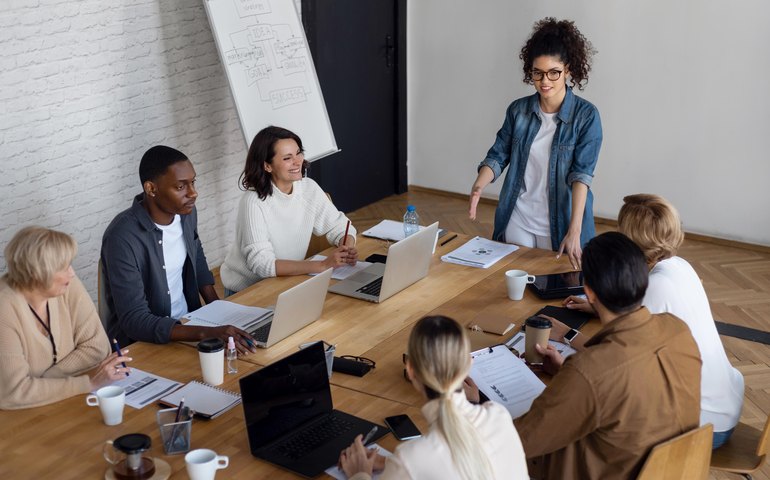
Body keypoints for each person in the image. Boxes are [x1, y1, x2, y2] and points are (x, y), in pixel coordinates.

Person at [558, 194, 744, 449]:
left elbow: (613, 358)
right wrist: (599, 306)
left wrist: (565, 334)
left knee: (595, 419)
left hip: (705, 424)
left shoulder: (655, 286)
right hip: (724, 402)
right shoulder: (679, 265)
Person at [514, 232, 701, 479]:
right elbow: (633, 389)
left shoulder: (589, 371)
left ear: (589, 293)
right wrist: (566, 376)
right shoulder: (678, 329)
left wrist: (474, 406)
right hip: (675, 470)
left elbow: (520, 442)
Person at [469, 18, 602, 270]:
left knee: (556, 285)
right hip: (518, 216)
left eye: (554, 72)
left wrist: (574, 230)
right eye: (537, 73)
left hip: (562, 222)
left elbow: (581, 177)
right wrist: (479, 186)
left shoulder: (586, 116)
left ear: (568, 70)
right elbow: (498, 155)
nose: (544, 81)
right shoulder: (518, 110)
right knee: (512, 281)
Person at [101, 146, 255, 353]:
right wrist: (206, 333)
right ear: (151, 189)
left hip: (190, 323)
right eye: (181, 186)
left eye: (193, 182)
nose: (193, 193)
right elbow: (134, 320)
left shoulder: (186, 213)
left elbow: (196, 255)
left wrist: (221, 313)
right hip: (145, 344)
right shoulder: (122, 237)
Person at [338, 315, 528, 480]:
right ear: (468, 364)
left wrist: (359, 473)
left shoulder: (411, 459)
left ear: (410, 370)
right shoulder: (499, 415)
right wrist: (391, 463)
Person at [0, 227, 132, 409]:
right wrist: (88, 383)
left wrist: (45, 380)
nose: (72, 273)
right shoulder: (5, 309)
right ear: (38, 273)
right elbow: (13, 392)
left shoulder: (67, 285)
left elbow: (98, 348)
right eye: (64, 267)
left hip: (61, 402)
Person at [221, 126, 358, 294]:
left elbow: (340, 226)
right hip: (249, 290)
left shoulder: (308, 188)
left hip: (286, 280)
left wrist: (347, 248)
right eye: (287, 158)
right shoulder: (253, 202)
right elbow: (262, 264)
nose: (298, 161)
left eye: (299, 153)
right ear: (267, 166)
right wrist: (322, 265)